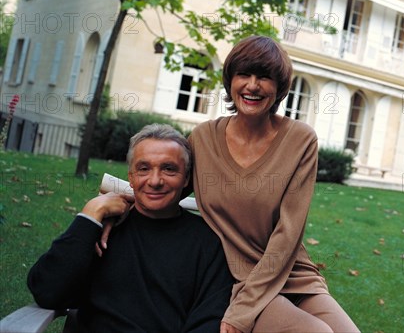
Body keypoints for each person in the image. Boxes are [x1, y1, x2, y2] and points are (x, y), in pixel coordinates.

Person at [189, 36, 360, 333]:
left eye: (264, 77)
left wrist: (244, 310)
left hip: (292, 272)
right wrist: (105, 210)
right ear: (230, 80)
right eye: (244, 74)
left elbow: (288, 232)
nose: (252, 86)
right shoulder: (202, 139)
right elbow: (160, 190)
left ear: (279, 88)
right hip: (236, 275)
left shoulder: (300, 140)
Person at [27, 124, 234, 333]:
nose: (155, 181)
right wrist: (91, 213)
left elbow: (208, 321)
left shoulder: (208, 242)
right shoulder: (100, 229)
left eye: (169, 169)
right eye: (144, 169)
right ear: (131, 177)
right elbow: (47, 291)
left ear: (186, 178)